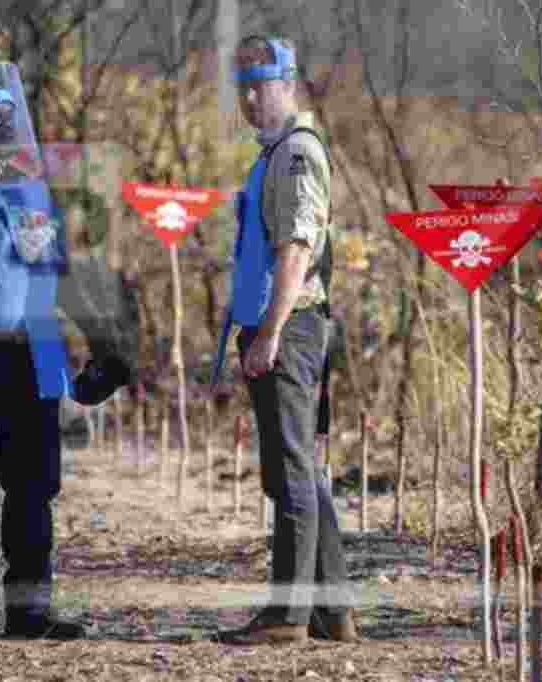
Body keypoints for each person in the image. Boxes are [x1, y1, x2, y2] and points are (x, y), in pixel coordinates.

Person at [0, 63, 137, 642]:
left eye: (6, 118)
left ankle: (29, 608)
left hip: (34, 342)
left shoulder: (26, 191)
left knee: (36, 482)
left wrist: (108, 345)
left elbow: (60, 272)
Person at [214, 36, 358, 646]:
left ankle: (288, 615)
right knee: (296, 467)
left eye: (261, 85)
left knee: (292, 470)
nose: (250, 98)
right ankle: (333, 611)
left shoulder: (298, 153)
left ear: (287, 83)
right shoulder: (272, 154)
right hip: (276, 324)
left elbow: (297, 249)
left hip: (290, 325)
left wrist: (269, 334)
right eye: (242, 86)